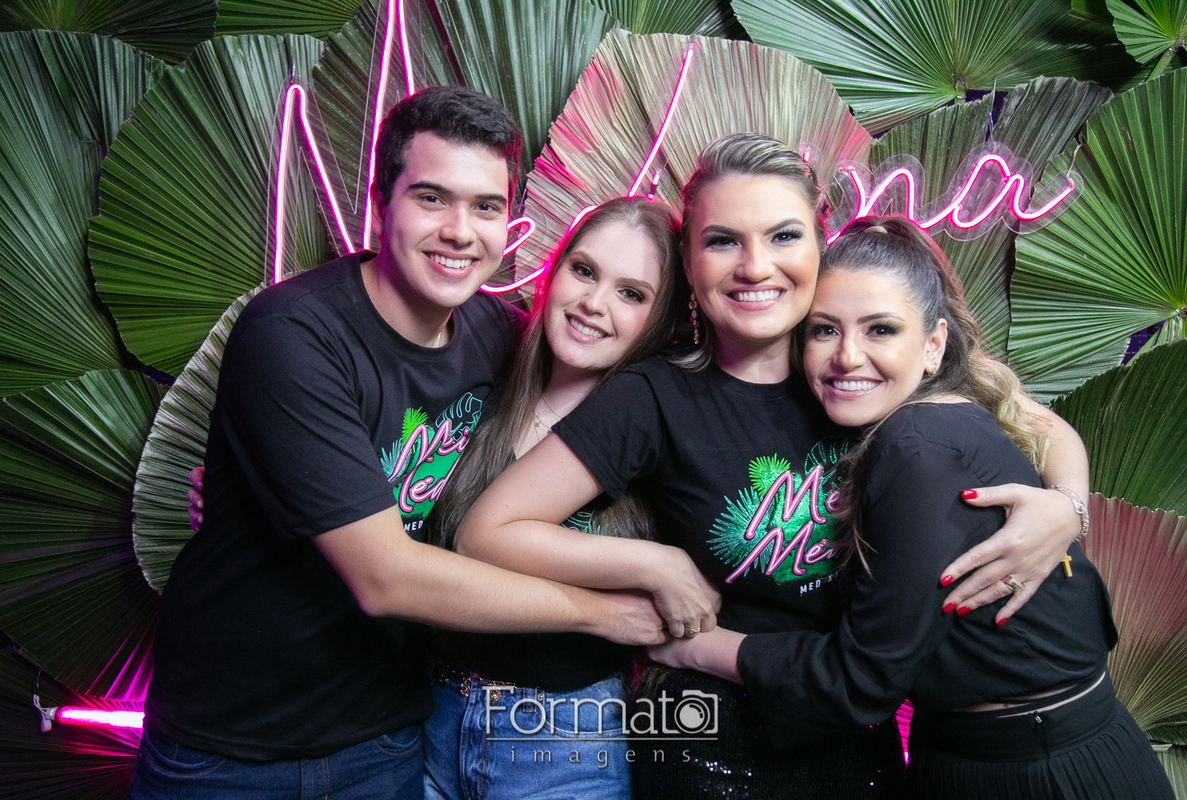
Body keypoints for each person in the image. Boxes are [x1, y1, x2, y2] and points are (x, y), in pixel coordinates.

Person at [456, 134, 1092, 798]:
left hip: (853, 733)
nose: (755, 267)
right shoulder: (652, 397)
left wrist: (1066, 507)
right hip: (707, 737)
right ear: (689, 260)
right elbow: (489, 532)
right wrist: (655, 566)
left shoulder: (857, 365)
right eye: (722, 241)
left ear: (820, 242)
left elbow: (1033, 423)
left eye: (783, 236)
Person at [130, 87, 667, 800]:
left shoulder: (498, 337)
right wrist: (605, 612)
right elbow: (385, 577)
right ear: (381, 202)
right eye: (432, 198)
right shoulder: (294, 333)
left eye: (486, 207)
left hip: (390, 733)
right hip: (234, 747)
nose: (460, 231)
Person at [647, 216, 1174, 799]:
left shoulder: (915, 444)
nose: (848, 356)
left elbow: (862, 679)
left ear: (933, 345)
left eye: (881, 329)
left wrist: (694, 646)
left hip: (1036, 770)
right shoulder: (925, 409)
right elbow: (1047, 426)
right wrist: (1068, 505)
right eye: (824, 330)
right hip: (980, 749)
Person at [422, 196, 702, 800]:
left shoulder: (661, 429)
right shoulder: (481, 379)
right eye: (584, 270)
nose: (594, 303)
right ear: (553, 272)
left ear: (662, 320)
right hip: (430, 718)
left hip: (564, 738)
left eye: (632, 294)